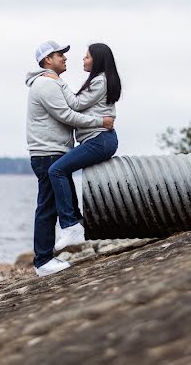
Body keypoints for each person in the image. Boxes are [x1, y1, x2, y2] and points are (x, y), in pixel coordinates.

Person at [25, 40, 115, 277]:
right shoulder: (46, 84)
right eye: (60, 55)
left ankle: (68, 232)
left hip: (54, 150)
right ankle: (43, 261)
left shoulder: (54, 82)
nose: (65, 58)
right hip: (47, 152)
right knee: (47, 207)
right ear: (47, 60)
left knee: (52, 203)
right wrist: (100, 122)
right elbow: (67, 114)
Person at [42, 43, 121, 251]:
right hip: (100, 138)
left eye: (86, 57)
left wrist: (59, 82)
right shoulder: (99, 80)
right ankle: (77, 222)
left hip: (100, 139)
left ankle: (70, 225)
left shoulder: (99, 81)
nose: (83, 60)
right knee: (62, 169)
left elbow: (75, 104)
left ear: (97, 59)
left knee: (56, 169)